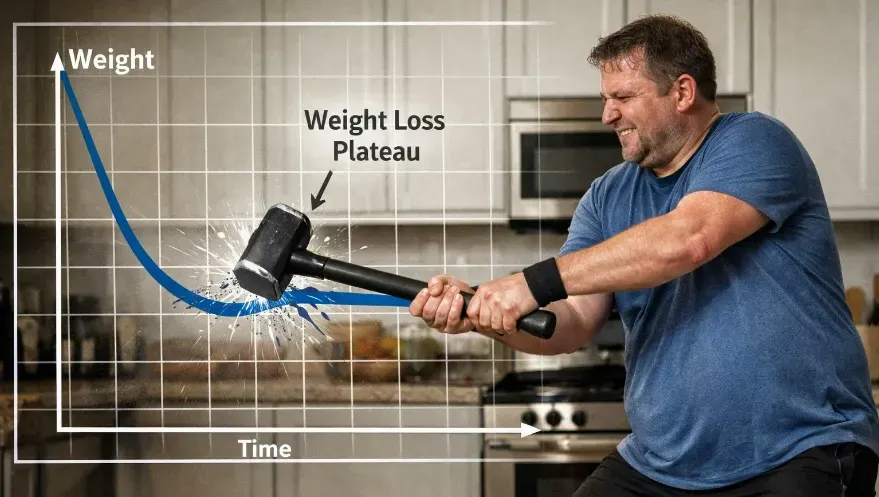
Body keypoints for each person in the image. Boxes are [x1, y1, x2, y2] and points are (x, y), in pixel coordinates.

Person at [409, 13, 879, 496]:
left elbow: (689, 238)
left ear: (682, 91)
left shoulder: (755, 140)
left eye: (624, 97)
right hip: (662, 463)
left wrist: (527, 283)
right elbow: (571, 321)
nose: (607, 114)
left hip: (797, 452)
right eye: (605, 99)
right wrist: (484, 315)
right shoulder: (607, 195)